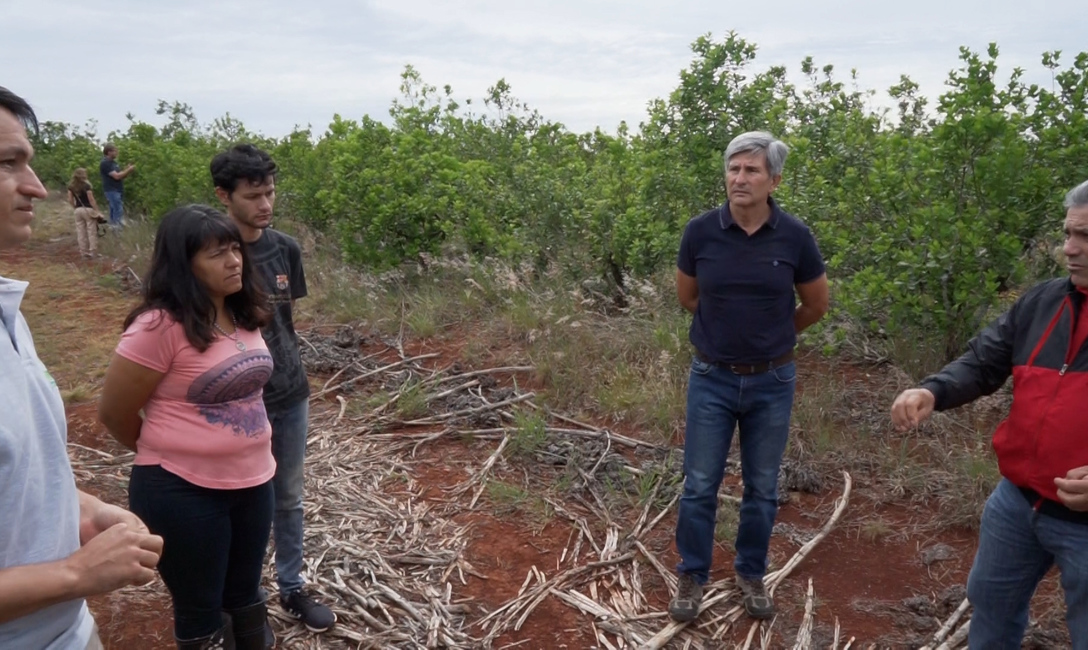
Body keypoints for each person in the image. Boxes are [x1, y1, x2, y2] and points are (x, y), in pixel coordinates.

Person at [891, 179, 1088, 649]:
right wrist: (932, 391)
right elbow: (984, 361)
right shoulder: (1042, 302)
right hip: (1017, 504)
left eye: (1086, 238)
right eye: (1068, 234)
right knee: (991, 609)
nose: (1070, 249)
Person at [0, 87, 163, 649]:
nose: (36, 188)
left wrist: (86, 512)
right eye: (6, 164)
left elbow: (16, 481)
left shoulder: (9, 314)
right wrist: (75, 574)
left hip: (66, 632)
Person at [98, 205, 277, 649]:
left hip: (254, 481)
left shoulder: (243, 313)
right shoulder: (158, 327)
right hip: (183, 491)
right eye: (217, 253)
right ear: (184, 264)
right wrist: (173, 450)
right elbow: (115, 413)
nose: (234, 260)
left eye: (234, 248)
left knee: (244, 596)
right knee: (201, 610)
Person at [669, 131, 830, 623]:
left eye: (752, 170)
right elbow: (689, 298)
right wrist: (726, 336)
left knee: (761, 486)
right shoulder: (700, 231)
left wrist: (774, 337)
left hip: (772, 382)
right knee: (699, 484)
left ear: (773, 180)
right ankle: (692, 575)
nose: (739, 178)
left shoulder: (795, 236)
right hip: (712, 377)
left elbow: (815, 304)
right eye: (734, 169)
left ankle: (750, 572)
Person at [210, 144, 336, 633]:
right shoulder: (214, 255)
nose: (265, 204)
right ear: (224, 195)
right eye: (254, 195)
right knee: (239, 500)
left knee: (288, 496)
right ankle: (243, 599)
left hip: (290, 392)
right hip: (238, 404)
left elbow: (285, 322)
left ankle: (291, 587)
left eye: (271, 192)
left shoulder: (285, 248)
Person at [67, 168, 103, 258]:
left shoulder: (71, 186)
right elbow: (91, 199)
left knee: (80, 231)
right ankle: (93, 251)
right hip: (88, 210)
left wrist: (75, 207)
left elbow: (70, 199)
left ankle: (83, 252)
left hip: (78, 210)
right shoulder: (87, 186)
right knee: (91, 231)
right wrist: (97, 211)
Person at [98, 143, 133, 229]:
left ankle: (114, 228)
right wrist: (129, 170)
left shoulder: (113, 163)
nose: (117, 152)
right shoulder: (105, 163)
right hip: (112, 190)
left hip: (117, 190)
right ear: (109, 152)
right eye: (115, 151)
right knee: (117, 210)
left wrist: (126, 170)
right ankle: (117, 230)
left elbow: (121, 175)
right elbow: (117, 176)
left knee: (115, 209)